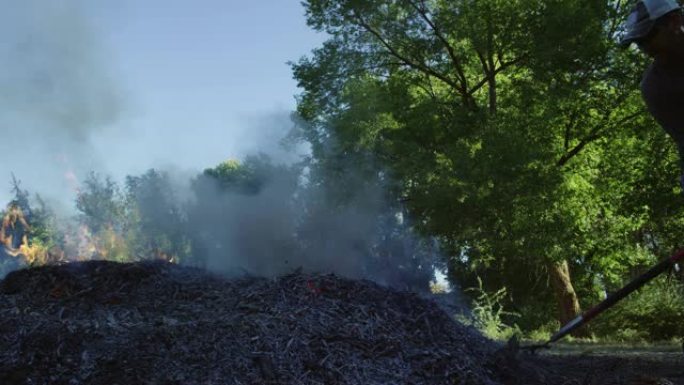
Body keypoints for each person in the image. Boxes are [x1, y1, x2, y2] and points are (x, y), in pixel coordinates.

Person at [621, 0, 684, 186]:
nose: (645, 49)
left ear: (674, 21)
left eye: (648, 36)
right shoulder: (656, 87)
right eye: (639, 43)